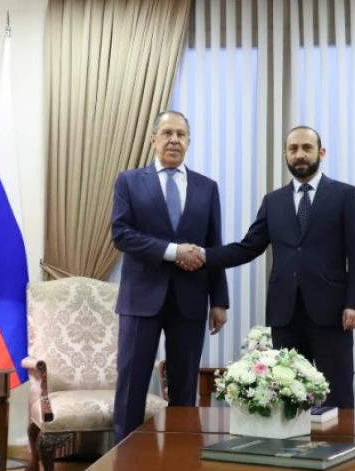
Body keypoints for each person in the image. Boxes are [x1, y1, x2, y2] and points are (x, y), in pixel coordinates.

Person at [192, 126, 355, 407]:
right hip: (284, 313)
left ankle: (341, 439)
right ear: (285, 154)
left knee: (337, 396)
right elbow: (248, 247)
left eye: (307, 148)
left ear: (321, 152)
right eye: (293, 149)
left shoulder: (345, 195)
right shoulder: (273, 201)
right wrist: (203, 255)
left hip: (332, 313)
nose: (300, 154)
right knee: (289, 397)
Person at [110, 110, 229, 442]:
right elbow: (121, 234)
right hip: (140, 299)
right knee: (131, 385)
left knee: (184, 390)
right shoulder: (129, 181)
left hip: (191, 300)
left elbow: (214, 245)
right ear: (153, 140)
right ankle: (125, 459)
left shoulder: (207, 187)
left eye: (180, 134)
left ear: (189, 142)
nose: (174, 140)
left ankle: (182, 457)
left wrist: (219, 301)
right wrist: (174, 251)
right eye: (167, 133)